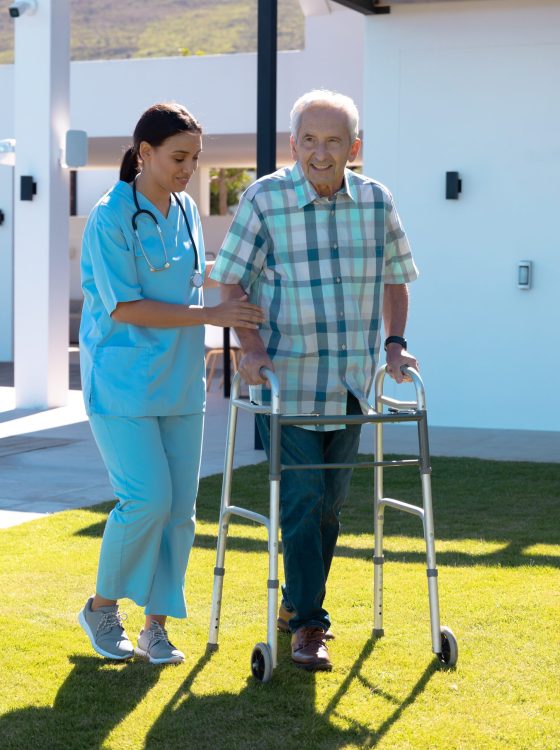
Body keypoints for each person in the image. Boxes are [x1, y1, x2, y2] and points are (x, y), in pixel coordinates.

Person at [211, 90, 419, 671]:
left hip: (352, 380)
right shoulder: (264, 200)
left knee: (330, 508)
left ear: (354, 147)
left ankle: (295, 608)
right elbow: (232, 284)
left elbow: (396, 280)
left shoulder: (377, 202)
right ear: (293, 144)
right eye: (309, 140)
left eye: (333, 142)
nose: (320, 153)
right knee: (302, 501)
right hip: (290, 378)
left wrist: (394, 347)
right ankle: (309, 626)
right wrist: (249, 348)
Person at [77, 102, 263, 665]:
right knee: (146, 499)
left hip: (179, 381)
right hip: (122, 382)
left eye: (195, 158)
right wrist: (211, 316)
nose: (189, 169)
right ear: (145, 154)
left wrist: (235, 280)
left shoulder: (183, 207)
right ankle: (101, 607)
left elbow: (190, 274)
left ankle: (156, 626)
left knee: (180, 510)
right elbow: (127, 307)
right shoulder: (110, 217)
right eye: (179, 157)